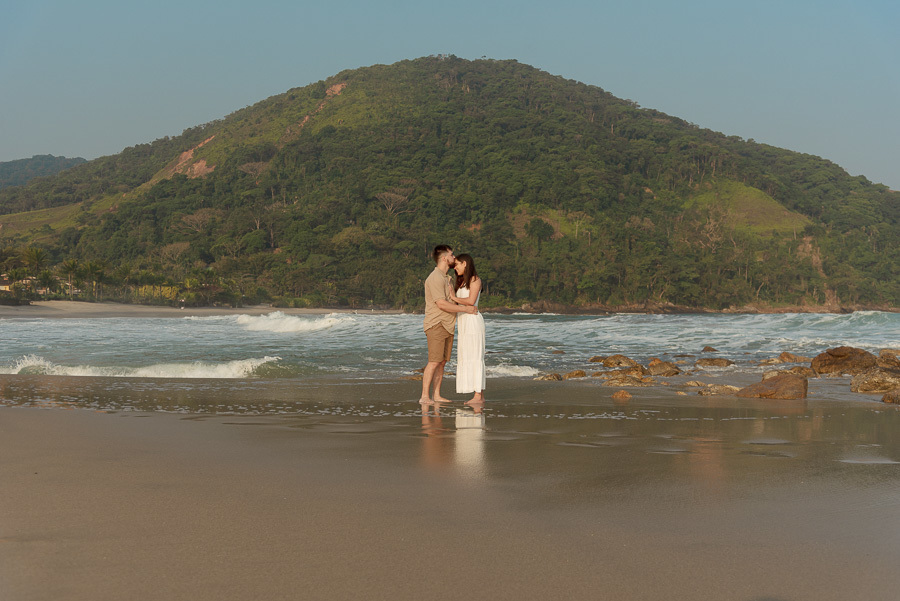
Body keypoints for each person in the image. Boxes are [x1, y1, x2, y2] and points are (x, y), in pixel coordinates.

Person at [420, 245, 477, 404]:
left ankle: (436, 395)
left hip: (448, 324)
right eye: (452, 255)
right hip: (436, 323)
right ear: (444, 258)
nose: (454, 257)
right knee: (434, 361)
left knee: (442, 362)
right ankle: (425, 396)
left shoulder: (448, 279)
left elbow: (452, 301)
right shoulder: (435, 278)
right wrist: (466, 309)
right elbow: (442, 304)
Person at [448, 253, 485, 405]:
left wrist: (454, 297)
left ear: (465, 263)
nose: (455, 268)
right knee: (467, 355)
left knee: (476, 356)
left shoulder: (475, 280)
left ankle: (479, 395)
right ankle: (476, 393)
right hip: (463, 321)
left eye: (456, 264)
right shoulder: (462, 282)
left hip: (473, 321)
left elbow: (471, 301)